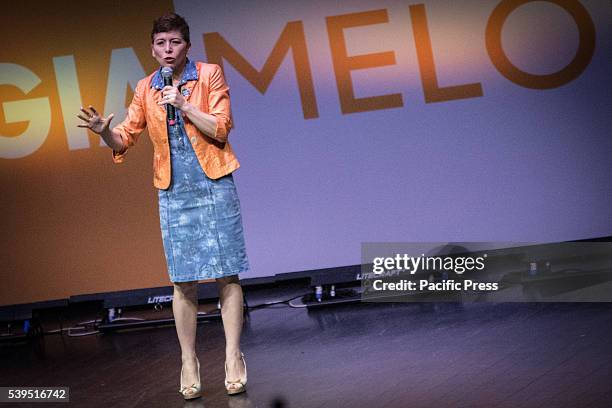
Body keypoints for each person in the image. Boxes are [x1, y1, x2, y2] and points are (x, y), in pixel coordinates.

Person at [77, 13, 249, 400]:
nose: (167, 50)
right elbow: (125, 140)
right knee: (182, 280)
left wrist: (185, 104)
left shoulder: (209, 75)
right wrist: (105, 132)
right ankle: (189, 361)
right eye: (160, 44)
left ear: (186, 46)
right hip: (174, 192)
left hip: (214, 182)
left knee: (227, 273)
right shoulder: (144, 88)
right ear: (152, 48)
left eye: (174, 43)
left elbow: (220, 127)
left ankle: (232, 355)